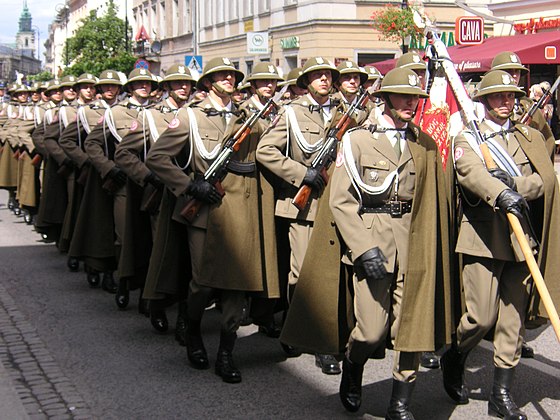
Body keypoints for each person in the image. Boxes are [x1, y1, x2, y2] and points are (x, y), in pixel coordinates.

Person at [147, 57, 279, 383]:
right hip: (205, 211)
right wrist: (189, 185)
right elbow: (157, 158)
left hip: (243, 212)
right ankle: (192, 330)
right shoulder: (189, 116)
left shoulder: (250, 118)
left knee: (237, 287)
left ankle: (226, 352)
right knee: (202, 283)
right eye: (221, 75)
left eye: (232, 75)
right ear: (208, 82)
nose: (229, 79)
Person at [329, 67, 451, 417]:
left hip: (414, 241)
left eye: (415, 98)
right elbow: (341, 200)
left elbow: (432, 200)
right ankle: (353, 368)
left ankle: (400, 402)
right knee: (370, 331)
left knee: (412, 326)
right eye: (403, 96)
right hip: (373, 236)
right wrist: (362, 246)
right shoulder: (357, 140)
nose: (411, 104)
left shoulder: (424, 143)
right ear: (385, 98)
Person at [441, 70, 560, 419]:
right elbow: (471, 174)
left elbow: (545, 180)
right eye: (498, 97)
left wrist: (516, 187)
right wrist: (500, 192)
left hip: (520, 239)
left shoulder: (527, 137)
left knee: (512, 320)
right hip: (482, 239)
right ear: (484, 101)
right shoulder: (468, 138)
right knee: (480, 317)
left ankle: (501, 394)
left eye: (510, 96)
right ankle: (456, 354)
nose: (506, 103)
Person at [257, 57, 343, 375]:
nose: (324, 79)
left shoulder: (343, 112)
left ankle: (324, 337)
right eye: (317, 75)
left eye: (328, 75)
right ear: (306, 81)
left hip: (336, 206)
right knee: (303, 274)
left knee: (330, 275)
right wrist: (300, 174)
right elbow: (265, 151)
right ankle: (301, 332)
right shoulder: (291, 112)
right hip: (304, 207)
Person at [115, 63, 196, 333]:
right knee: (160, 252)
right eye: (177, 83)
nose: (184, 87)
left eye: (187, 83)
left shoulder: (197, 113)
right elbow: (123, 153)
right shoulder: (151, 117)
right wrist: (148, 176)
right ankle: (155, 304)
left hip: (190, 194)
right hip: (161, 195)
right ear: (166, 88)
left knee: (188, 255)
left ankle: (185, 312)